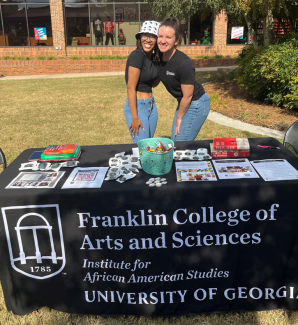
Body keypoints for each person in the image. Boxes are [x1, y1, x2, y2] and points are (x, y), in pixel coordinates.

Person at [157, 17, 210, 141]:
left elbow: (188, 96)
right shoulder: (158, 56)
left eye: (168, 37)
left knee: (179, 144)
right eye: (160, 36)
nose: (163, 41)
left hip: (196, 102)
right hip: (183, 101)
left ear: (176, 40)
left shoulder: (184, 64)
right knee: (175, 142)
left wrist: (179, 117)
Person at [124, 20, 160, 143]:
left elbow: (153, 84)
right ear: (140, 38)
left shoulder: (151, 57)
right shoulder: (137, 55)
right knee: (143, 148)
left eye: (152, 36)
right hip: (138, 107)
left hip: (151, 105)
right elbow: (130, 88)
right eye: (145, 35)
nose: (148, 40)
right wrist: (135, 117)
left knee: (149, 145)